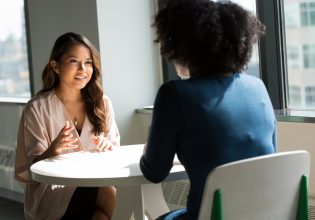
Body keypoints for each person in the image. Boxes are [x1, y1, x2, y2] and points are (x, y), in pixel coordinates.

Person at [140, 0, 277, 219]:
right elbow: (269, 157)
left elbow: (155, 172)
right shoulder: (258, 88)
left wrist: (149, 151)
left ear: (183, 47)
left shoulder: (174, 93)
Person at [15, 32, 120, 220]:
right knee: (107, 193)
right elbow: (33, 169)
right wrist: (53, 150)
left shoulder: (102, 103)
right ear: (55, 66)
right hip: (53, 191)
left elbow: (115, 153)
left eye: (88, 62)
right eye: (74, 61)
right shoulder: (37, 108)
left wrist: (107, 146)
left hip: (96, 182)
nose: (83, 69)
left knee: (104, 205)